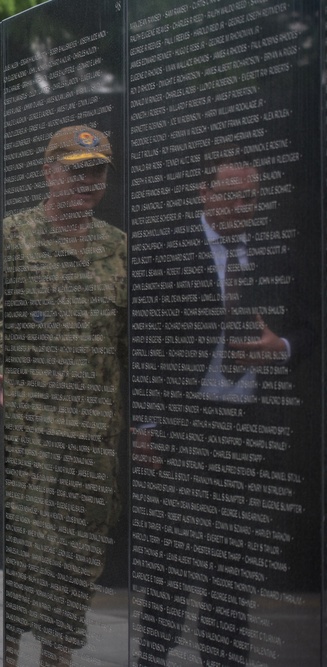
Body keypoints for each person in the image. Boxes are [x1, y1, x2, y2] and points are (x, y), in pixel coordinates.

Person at [133, 147, 310, 666]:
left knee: (233, 558)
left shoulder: (276, 254)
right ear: (204, 193)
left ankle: (225, 656)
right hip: (185, 425)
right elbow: (145, 340)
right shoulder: (169, 250)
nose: (241, 207)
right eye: (230, 195)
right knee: (174, 553)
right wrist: (145, 423)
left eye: (249, 197)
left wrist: (278, 347)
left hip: (248, 425)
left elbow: (307, 328)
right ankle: (154, 654)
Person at [0, 124, 126, 667]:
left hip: (94, 432)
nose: (88, 181)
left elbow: (127, 341)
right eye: (76, 170)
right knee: (29, 549)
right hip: (34, 428)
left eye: (97, 171)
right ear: (48, 172)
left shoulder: (117, 248)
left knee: (82, 552)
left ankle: (59, 651)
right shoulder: (14, 235)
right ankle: (9, 647)